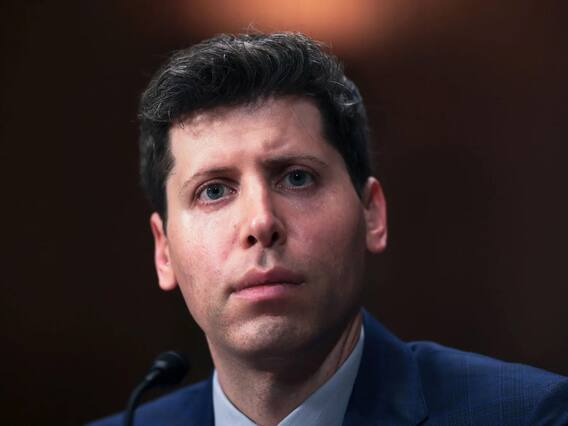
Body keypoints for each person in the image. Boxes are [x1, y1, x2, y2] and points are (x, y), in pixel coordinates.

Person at [89, 32, 568, 426]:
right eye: (213, 190)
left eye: (297, 178)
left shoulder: (530, 415)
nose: (261, 222)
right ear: (164, 252)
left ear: (372, 214)